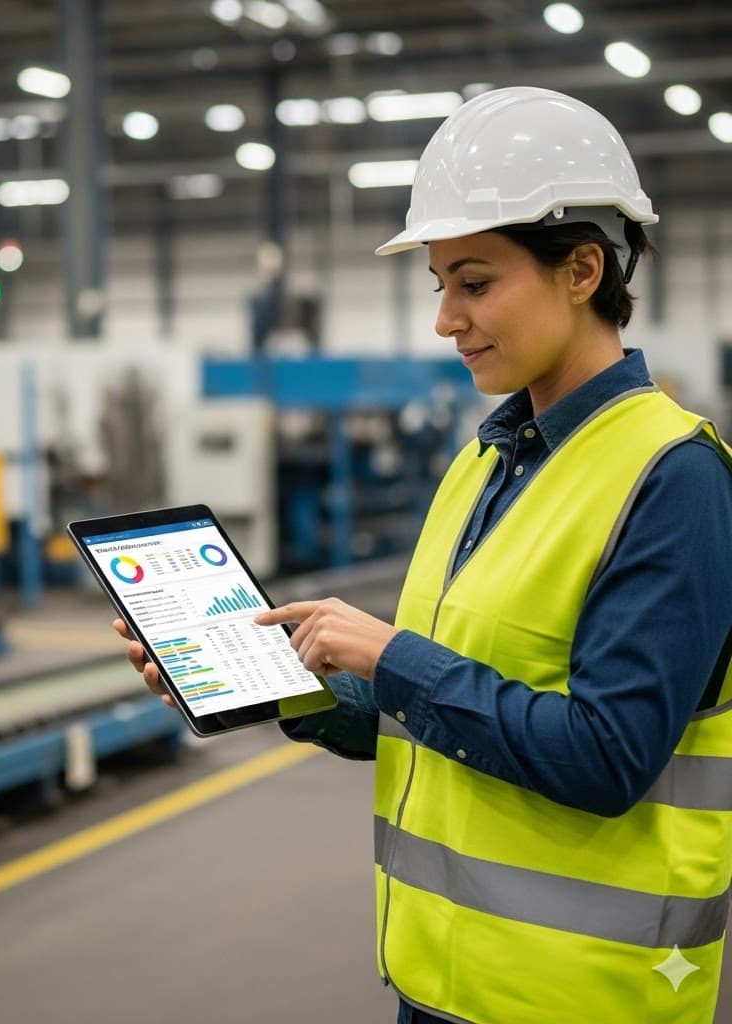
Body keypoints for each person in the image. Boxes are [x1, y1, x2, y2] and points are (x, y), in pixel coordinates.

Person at [114, 86, 732, 1024]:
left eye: (475, 283)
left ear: (581, 270)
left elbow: (607, 757)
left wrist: (390, 653)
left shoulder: (675, 479)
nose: (447, 320)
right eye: (439, 285)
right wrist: (271, 683)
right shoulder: (485, 465)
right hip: (437, 986)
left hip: (582, 1003)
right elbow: (434, 719)